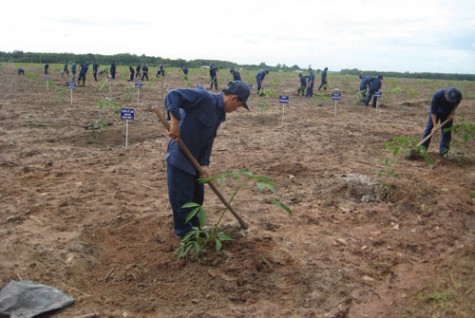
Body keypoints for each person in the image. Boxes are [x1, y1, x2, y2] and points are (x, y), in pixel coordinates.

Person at [164, 80, 250, 237]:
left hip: (196, 162)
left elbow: (209, 139)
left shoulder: (219, 113)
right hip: (180, 159)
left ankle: (196, 231)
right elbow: (173, 94)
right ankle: (186, 236)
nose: (236, 109)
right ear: (233, 99)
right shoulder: (203, 98)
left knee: (197, 200)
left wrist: (204, 164)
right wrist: (174, 123)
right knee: (182, 201)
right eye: (238, 106)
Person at [420, 88, 462, 157]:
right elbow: (433, 112)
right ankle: (423, 149)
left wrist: (452, 112)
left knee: (447, 132)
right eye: (449, 99)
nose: (450, 102)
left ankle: (443, 152)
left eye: (452, 100)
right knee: (429, 129)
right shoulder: (438, 95)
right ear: (446, 94)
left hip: (448, 113)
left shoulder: (459, 95)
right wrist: (434, 126)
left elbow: (457, 103)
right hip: (436, 112)